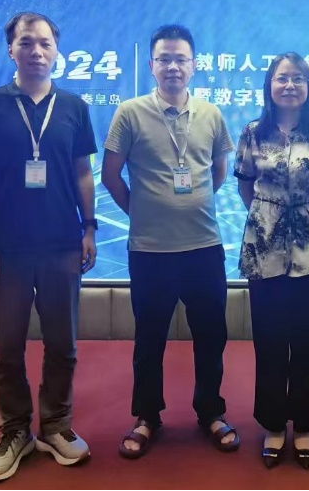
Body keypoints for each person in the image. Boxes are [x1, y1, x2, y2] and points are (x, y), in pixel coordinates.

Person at [0, 12, 97, 482]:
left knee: (63, 345)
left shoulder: (74, 107)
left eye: (44, 43)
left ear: (57, 51)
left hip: (62, 245)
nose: (36, 51)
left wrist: (89, 228)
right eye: (26, 43)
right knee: (6, 348)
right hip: (7, 247)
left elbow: (83, 173)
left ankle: (55, 426)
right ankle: (15, 430)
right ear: (10, 50)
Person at [102, 24, 239, 459]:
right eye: (165, 59)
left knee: (211, 336)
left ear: (194, 65)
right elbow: (110, 175)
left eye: (181, 59)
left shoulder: (211, 114)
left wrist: (190, 205)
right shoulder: (130, 112)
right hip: (150, 251)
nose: (173, 66)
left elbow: (218, 170)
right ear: (152, 65)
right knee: (150, 340)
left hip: (203, 247)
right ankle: (147, 417)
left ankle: (210, 412)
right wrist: (142, 213)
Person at [235, 52, 309, 470]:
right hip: (263, 252)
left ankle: (303, 425)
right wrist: (268, 219)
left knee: (305, 341)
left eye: (298, 79)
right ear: (269, 84)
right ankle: (272, 424)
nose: (289, 85)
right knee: (268, 342)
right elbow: (246, 187)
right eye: (282, 78)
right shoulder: (254, 131)